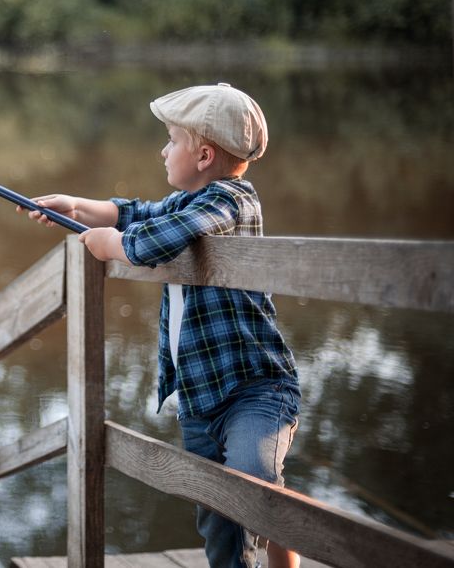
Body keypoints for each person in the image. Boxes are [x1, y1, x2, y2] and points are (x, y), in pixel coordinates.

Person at [19, 83, 301, 568]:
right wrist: (77, 206)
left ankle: (282, 546)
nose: (163, 149)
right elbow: (135, 212)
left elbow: (156, 239)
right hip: (199, 396)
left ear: (204, 154)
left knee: (253, 486)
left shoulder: (230, 202)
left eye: (172, 140)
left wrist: (112, 245)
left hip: (255, 390)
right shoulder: (189, 200)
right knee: (217, 516)